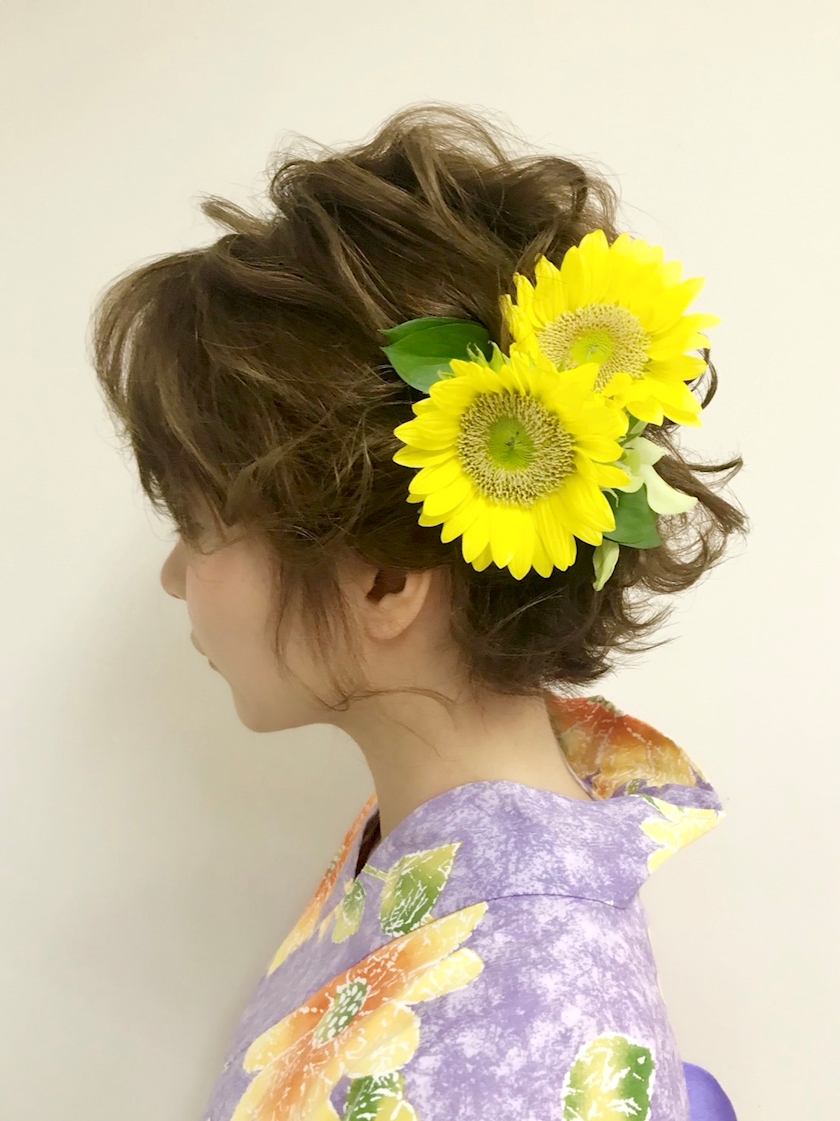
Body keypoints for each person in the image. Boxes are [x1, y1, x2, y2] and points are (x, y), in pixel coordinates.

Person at [90, 103, 747, 1121]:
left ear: (388, 580)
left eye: (198, 524)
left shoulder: (519, 1052)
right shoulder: (431, 844)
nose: (175, 576)